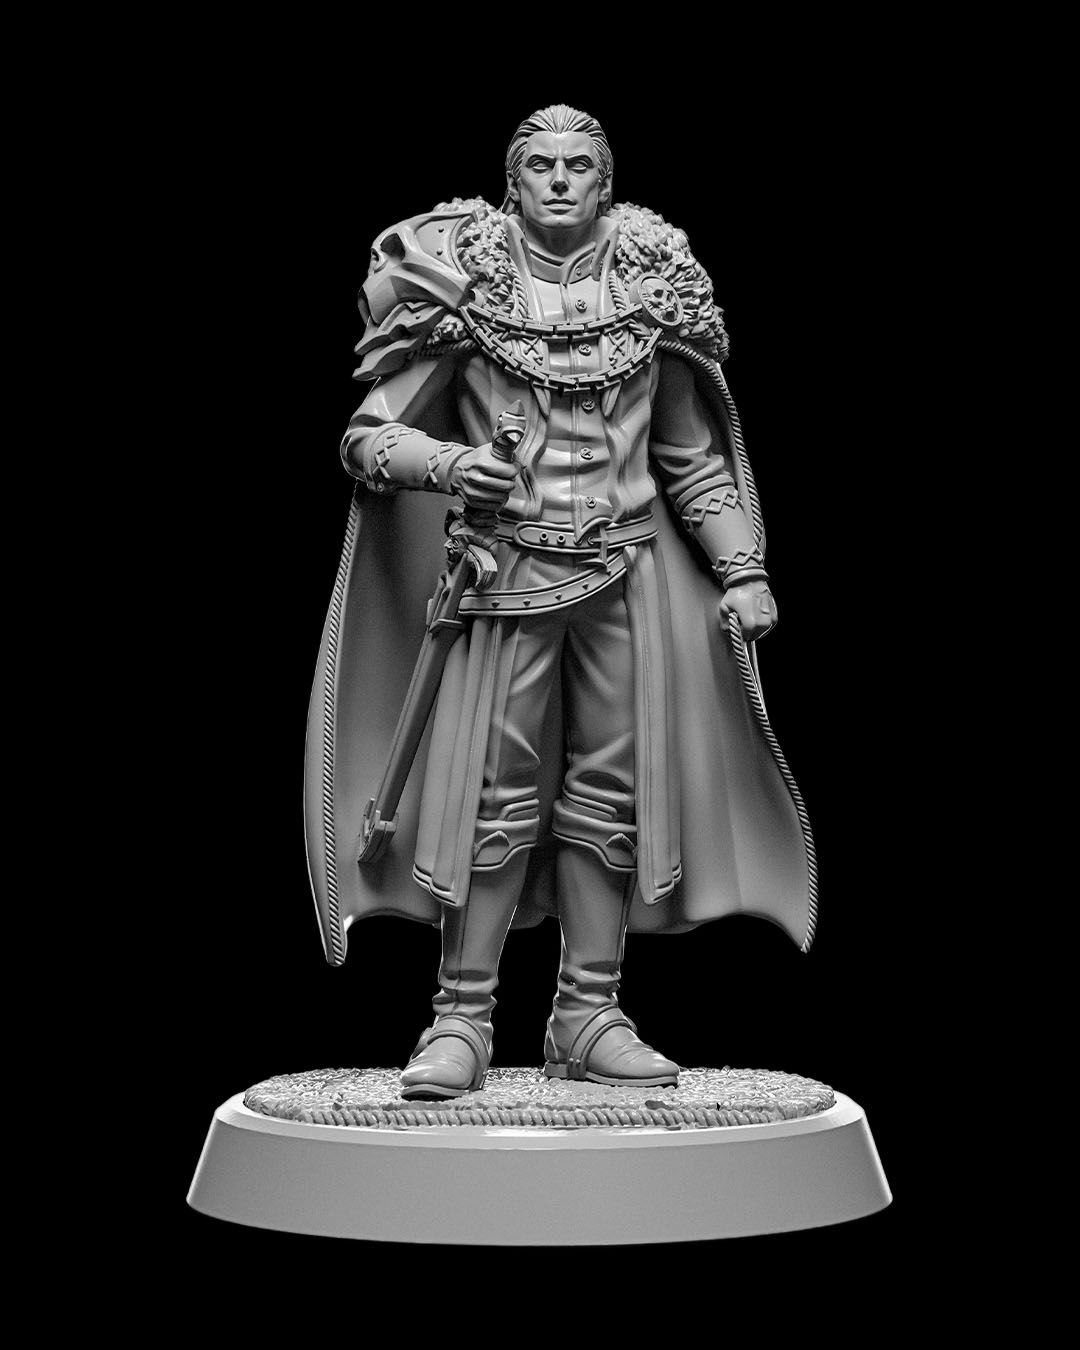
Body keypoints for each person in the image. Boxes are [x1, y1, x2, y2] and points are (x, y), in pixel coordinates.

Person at [305, 104, 816, 1100]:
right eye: (539, 163)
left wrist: (743, 568)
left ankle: (588, 1013)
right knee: (491, 799)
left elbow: (691, 460)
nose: (559, 179)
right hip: (505, 582)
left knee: (611, 800)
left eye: (579, 164)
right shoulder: (463, 282)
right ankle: (461, 1019)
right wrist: (452, 465)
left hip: (626, 582)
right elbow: (368, 436)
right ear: (513, 180)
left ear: (606, 181)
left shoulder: (653, 284)